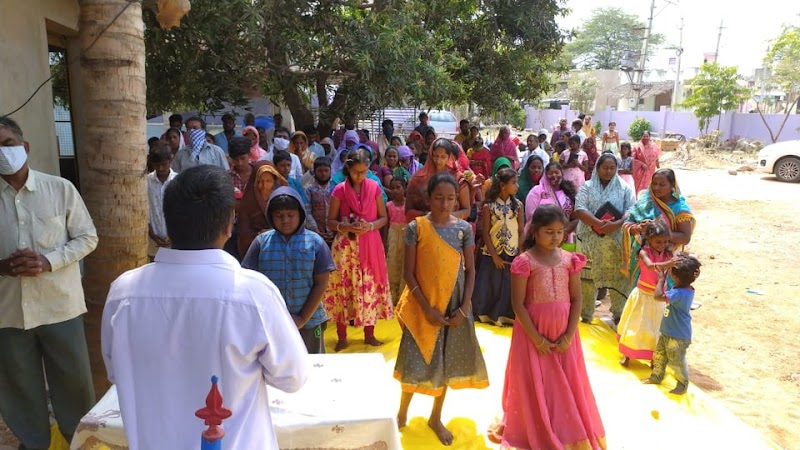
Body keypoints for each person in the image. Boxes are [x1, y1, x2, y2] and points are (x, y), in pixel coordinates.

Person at [102, 165, 309, 449]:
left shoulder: (123, 294)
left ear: (168, 221)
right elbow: (293, 376)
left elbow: (117, 371)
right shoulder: (253, 294)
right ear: (229, 224)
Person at [0, 117, 98, 449]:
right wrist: (3, 267)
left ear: (24, 147)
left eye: (7, 144)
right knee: (20, 391)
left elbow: (87, 237)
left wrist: (47, 261)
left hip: (60, 308)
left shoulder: (60, 189)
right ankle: (34, 444)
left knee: (74, 386)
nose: (2, 152)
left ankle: (78, 443)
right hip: (9, 313)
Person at [496, 205, 605, 449]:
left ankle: (565, 429)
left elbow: (576, 299)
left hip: (565, 332)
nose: (555, 237)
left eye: (559, 232)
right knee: (535, 379)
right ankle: (536, 426)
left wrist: (569, 335)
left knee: (566, 379)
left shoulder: (569, 259)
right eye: (549, 232)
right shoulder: (524, 262)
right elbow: (518, 304)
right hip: (532, 332)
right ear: (535, 231)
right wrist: (537, 339)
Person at [394, 173, 489, 446]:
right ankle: (401, 412)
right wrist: (426, 309)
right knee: (415, 359)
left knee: (445, 361)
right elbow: (409, 273)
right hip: (422, 305)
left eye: (450, 198)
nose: (445, 204)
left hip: (454, 305)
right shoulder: (416, 227)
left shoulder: (464, 229)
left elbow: (470, 271)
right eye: (439, 198)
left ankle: (435, 417)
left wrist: (464, 308)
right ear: (429, 198)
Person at [242, 187, 336, 354]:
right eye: (279, 216)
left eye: (290, 215)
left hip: (310, 322)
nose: (285, 220)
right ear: (270, 216)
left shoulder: (315, 243)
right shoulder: (261, 243)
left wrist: (302, 318)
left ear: (300, 214)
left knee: (313, 363)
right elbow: (249, 281)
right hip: (270, 322)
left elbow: (321, 284)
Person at [324, 148, 393, 351]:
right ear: (348, 169)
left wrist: (369, 226)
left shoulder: (374, 187)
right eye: (356, 172)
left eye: (363, 172)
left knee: (369, 287)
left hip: (370, 245)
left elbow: (383, 218)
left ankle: (369, 334)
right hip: (346, 250)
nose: (360, 176)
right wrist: (345, 227)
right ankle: (342, 336)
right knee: (344, 289)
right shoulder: (339, 190)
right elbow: (330, 221)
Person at [575, 154, 636, 323]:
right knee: (587, 279)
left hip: (615, 242)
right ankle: (586, 316)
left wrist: (616, 224)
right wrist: (597, 223)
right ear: (597, 168)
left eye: (612, 168)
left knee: (618, 278)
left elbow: (632, 210)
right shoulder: (587, 186)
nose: (608, 171)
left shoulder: (624, 188)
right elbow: (579, 208)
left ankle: (619, 315)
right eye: (605, 167)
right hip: (589, 241)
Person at [622, 169, 696, 305]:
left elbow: (685, 237)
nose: (656, 188)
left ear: (672, 185)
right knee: (641, 297)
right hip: (643, 259)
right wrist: (639, 228)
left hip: (667, 259)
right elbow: (628, 225)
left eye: (662, 184)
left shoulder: (679, 208)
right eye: (654, 184)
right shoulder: (645, 202)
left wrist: (658, 231)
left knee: (662, 299)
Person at [642, 253, 702, 395]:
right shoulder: (685, 288)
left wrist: (661, 279)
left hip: (676, 336)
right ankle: (656, 376)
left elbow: (657, 296)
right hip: (669, 332)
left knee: (676, 361)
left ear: (675, 276)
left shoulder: (678, 293)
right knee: (660, 355)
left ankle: (682, 384)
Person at [617, 220, 673, 367]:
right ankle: (627, 354)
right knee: (636, 326)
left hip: (659, 297)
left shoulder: (668, 254)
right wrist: (668, 264)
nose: (662, 245)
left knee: (657, 328)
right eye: (658, 242)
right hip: (643, 295)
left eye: (665, 242)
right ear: (649, 239)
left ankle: (654, 357)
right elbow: (649, 266)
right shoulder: (643, 252)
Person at [473, 167, 523, 326]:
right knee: (491, 283)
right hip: (492, 252)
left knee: (508, 284)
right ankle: (485, 314)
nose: (517, 186)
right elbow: (486, 232)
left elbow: (521, 230)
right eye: (514, 183)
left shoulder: (518, 206)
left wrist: (520, 253)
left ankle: (505, 315)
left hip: (511, 251)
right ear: (503, 186)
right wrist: (494, 256)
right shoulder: (489, 206)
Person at [406, 138, 471, 222]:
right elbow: (409, 210)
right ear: (431, 155)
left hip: (451, 226)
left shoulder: (458, 178)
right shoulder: (418, 179)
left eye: (443, 157)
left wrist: (445, 217)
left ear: (449, 157)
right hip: (424, 225)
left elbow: (466, 210)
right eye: (435, 156)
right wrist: (429, 216)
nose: (438, 161)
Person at [237, 161, 288, 256]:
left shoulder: (282, 198)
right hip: (256, 249)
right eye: (260, 181)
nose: (264, 186)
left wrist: (273, 233)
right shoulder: (248, 202)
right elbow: (244, 232)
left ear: (274, 181)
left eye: (268, 181)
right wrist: (261, 236)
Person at [273, 150, 318, 232]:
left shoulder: (295, 183)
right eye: (282, 165)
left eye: (288, 165)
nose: (286, 168)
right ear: (275, 166)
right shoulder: (271, 183)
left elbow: (303, 203)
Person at [147, 143, 177, 260]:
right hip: (153, 238)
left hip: (175, 239)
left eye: (164, 164)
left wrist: (174, 235)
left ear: (171, 159)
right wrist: (152, 234)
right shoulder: (147, 181)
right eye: (157, 165)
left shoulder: (178, 181)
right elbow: (144, 211)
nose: (160, 168)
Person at [386, 177, 408, 303]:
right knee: (392, 263)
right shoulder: (388, 205)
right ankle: (391, 297)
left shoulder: (409, 205)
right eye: (392, 188)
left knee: (404, 263)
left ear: (405, 188)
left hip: (406, 236)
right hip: (393, 236)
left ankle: (402, 297)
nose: (395, 191)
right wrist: (385, 243)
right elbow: (386, 226)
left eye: (398, 187)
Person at [306, 157, 336, 245]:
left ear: (330, 171)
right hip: (315, 233)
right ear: (314, 171)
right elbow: (307, 211)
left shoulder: (336, 187)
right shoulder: (309, 189)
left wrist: (335, 230)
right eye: (320, 171)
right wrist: (315, 230)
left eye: (326, 171)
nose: (323, 174)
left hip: (334, 232)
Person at [632, 131, 661, 196]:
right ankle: (638, 197)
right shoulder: (637, 147)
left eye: (647, 136)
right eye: (644, 136)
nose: (645, 138)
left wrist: (658, 166)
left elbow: (656, 157)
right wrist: (641, 164)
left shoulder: (654, 146)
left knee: (649, 184)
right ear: (641, 137)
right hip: (640, 171)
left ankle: (648, 197)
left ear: (649, 137)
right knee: (639, 187)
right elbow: (632, 159)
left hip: (650, 170)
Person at [228, 136, 253, 201]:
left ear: (249, 155)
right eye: (235, 159)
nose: (240, 163)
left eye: (243, 158)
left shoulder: (258, 173)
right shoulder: (227, 177)